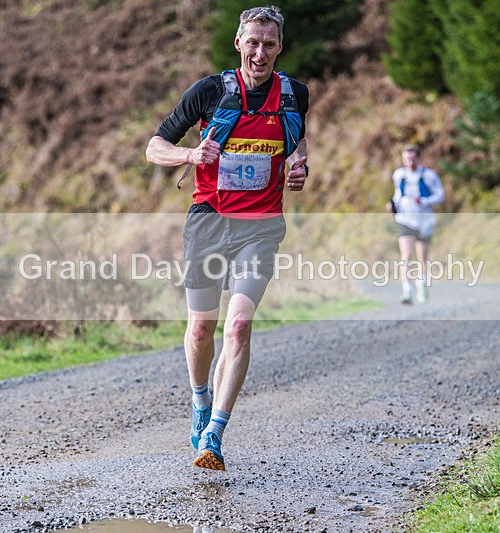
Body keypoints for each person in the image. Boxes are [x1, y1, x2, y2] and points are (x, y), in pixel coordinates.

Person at [145, 5, 309, 471]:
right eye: (252, 42)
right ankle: (200, 402)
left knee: (238, 324)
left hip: (261, 226)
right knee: (201, 328)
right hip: (209, 220)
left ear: (280, 46)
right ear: (238, 43)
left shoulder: (295, 93)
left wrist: (300, 166)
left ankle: (214, 432)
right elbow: (154, 147)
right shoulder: (210, 91)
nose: (260, 52)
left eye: (270, 44)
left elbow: (296, 142)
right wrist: (191, 153)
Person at [386, 144, 445, 304]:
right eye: (406, 159)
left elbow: (440, 195)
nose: (409, 162)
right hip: (405, 220)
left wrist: (425, 200)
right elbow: (398, 193)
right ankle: (407, 291)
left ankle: (421, 285)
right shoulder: (399, 175)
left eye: (412, 159)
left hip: (425, 221)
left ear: (418, 158)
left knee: (422, 257)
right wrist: (393, 205)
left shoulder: (429, 176)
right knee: (405, 256)